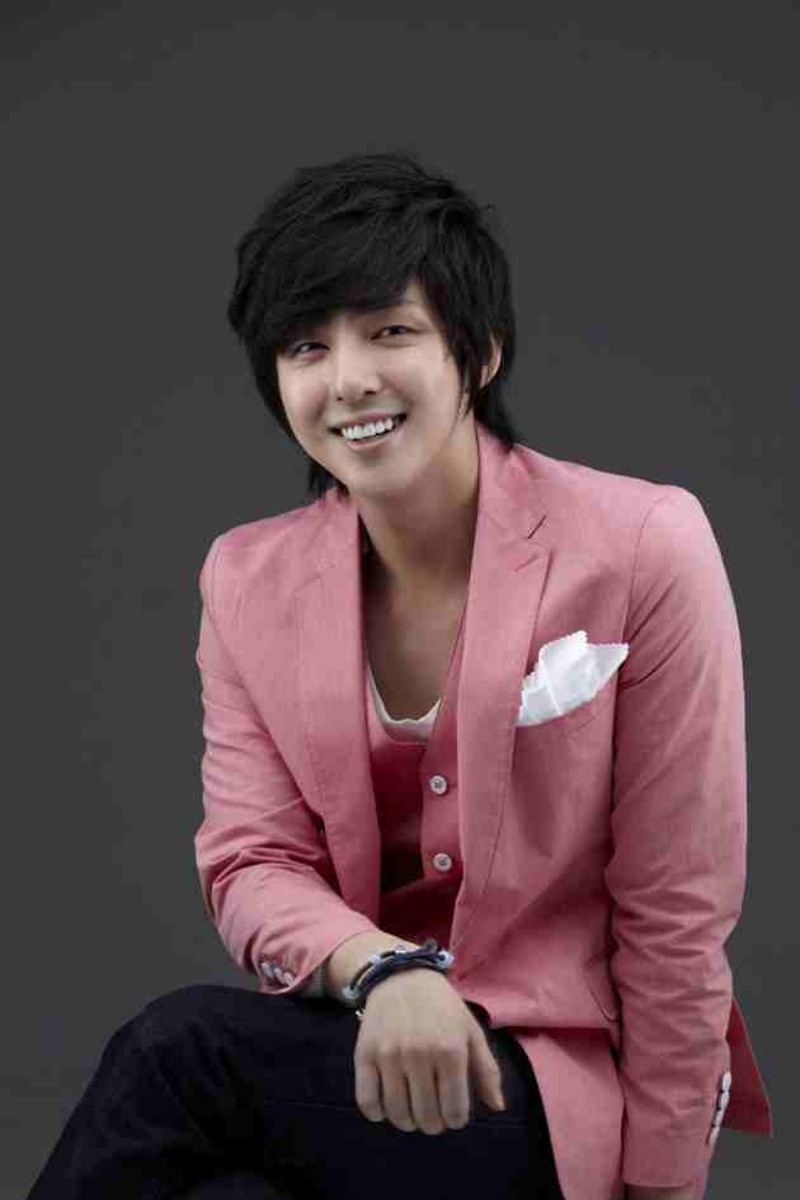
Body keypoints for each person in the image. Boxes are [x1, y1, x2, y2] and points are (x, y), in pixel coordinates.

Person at [25, 149, 772, 1200]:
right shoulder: (245, 581)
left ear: (480, 352)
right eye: (306, 346)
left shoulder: (642, 545)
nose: (348, 380)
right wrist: (384, 968)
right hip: (356, 1058)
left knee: (177, 1050)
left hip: (541, 1090)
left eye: (389, 332)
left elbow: (675, 907)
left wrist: (660, 1185)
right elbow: (252, 859)